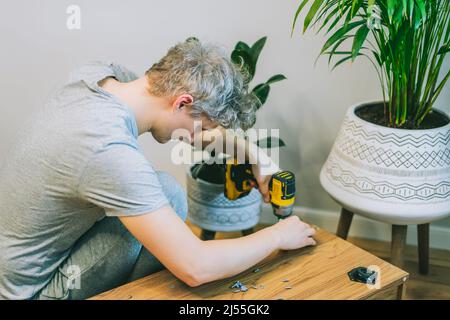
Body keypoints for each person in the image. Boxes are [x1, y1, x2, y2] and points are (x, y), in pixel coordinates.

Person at [0, 38, 316, 300]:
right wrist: (277, 236)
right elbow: (196, 267)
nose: (199, 138)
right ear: (182, 102)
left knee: (165, 193)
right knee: (171, 212)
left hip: (13, 261)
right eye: (202, 127)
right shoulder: (107, 149)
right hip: (30, 291)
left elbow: (184, 129)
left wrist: (253, 157)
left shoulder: (102, 77)